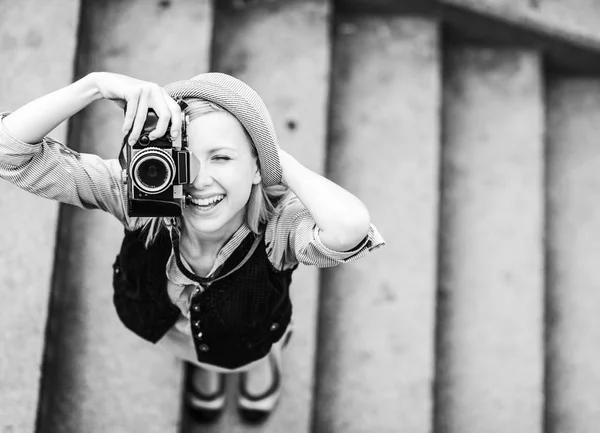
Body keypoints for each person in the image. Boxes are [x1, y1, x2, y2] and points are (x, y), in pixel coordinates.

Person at [0, 71, 385, 422]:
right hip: (169, 330)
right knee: (203, 352)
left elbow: (350, 227)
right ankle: (206, 365)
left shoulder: (277, 227)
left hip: (250, 337)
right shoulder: (142, 197)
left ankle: (261, 365)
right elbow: (9, 151)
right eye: (184, 159)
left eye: (221, 157)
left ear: (256, 167)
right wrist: (95, 85)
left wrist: (273, 160)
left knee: (249, 354)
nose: (200, 180)